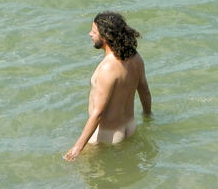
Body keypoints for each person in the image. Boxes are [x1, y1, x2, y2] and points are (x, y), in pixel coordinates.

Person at [64, 11, 152, 161]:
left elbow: (98, 112)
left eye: (94, 31)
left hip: (106, 138)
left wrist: (77, 148)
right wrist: (148, 116)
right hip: (130, 130)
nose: (89, 34)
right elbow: (144, 92)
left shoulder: (107, 68)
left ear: (105, 37)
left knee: (90, 181)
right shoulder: (135, 58)